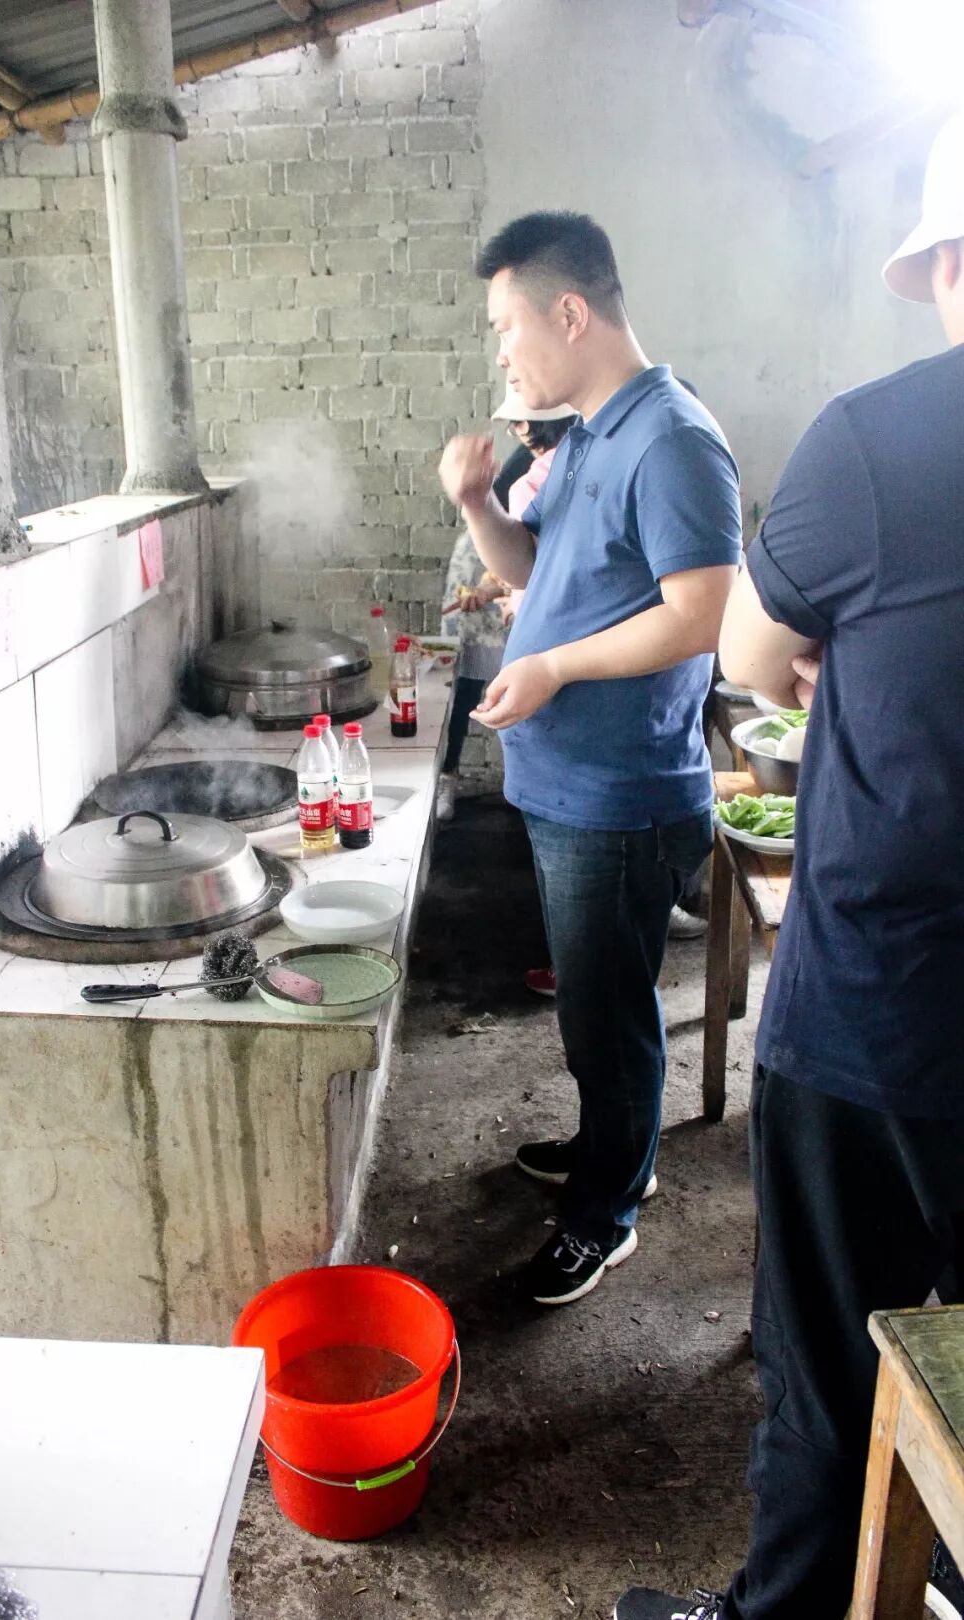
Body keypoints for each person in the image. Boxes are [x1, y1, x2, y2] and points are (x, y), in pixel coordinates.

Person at [616, 111, 964, 1620]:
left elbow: (752, 657)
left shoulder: (882, 440)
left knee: (828, 1364)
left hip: (886, 1008)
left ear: (946, 262)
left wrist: (851, 651)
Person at [438, 212, 741, 1306]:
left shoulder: (671, 440)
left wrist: (555, 666)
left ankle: (607, 1211)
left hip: (623, 798)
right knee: (595, 1011)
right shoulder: (590, 433)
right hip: (571, 788)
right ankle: (616, 1148)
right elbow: (533, 569)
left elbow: (701, 616)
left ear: (568, 312)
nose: (502, 353)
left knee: (610, 1022)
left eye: (505, 326)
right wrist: (477, 503)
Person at [436, 388, 575, 824]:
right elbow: (520, 552)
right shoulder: (528, 468)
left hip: (517, 595)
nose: (516, 432)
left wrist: (499, 591)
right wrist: (484, 589)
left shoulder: (564, 465)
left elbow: (537, 557)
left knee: (521, 693)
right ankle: (448, 776)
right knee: (467, 690)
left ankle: (524, 790)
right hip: (486, 565)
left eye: (520, 424)